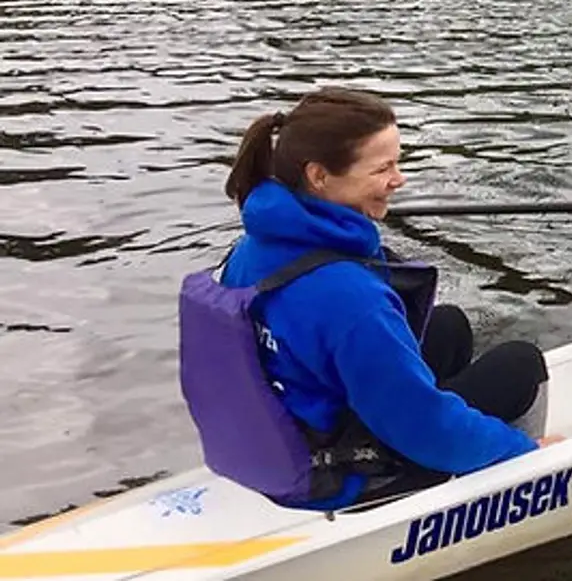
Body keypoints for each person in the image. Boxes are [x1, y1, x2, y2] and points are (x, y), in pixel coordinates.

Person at [179, 87, 550, 510]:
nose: (399, 179)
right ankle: (529, 492)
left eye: (398, 162)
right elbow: (423, 427)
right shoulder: (349, 298)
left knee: (448, 325)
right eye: (383, 168)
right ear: (319, 176)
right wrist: (523, 451)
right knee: (521, 363)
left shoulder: (257, 242)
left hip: (279, 445)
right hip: (334, 477)